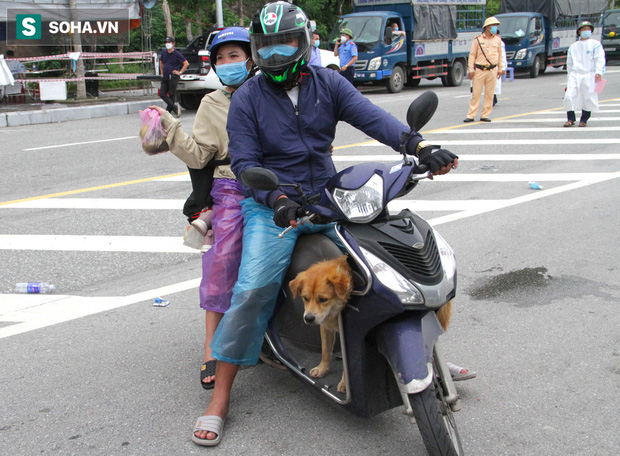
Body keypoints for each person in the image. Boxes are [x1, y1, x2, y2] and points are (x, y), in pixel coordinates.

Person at [190, 1, 459, 446]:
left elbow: (372, 118)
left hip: (330, 196)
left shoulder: (328, 82)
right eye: (268, 45)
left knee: (387, 262)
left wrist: (418, 144)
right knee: (254, 287)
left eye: (286, 43)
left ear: (306, 43)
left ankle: (420, 351)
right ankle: (220, 395)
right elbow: (244, 161)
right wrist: (275, 197)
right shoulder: (248, 100)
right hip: (272, 204)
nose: (277, 55)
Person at [149, 27, 255, 393]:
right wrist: (170, 125)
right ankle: (211, 346)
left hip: (280, 184)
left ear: (252, 58)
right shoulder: (213, 102)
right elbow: (200, 154)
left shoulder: (271, 93)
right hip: (232, 185)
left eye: (234, 56)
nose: (227, 64)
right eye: (221, 59)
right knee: (223, 257)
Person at [563, 21, 606, 127]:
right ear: (579, 32)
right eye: (584, 29)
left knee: (588, 97)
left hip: (589, 74)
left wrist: (599, 72)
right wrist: (569, 76)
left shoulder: (595, 44)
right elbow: (570, 63)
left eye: (588, 29)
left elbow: (600, 59)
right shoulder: (573, 46)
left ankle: (584, 120)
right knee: (569, 96)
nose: (586, 31)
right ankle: (570, 118)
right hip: (575, 74)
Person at [464, 17, 505, 122]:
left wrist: (501, 68)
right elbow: (472, 55)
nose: (495, 27)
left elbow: (500, 55)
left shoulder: (498, 40)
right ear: (487, 27)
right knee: (476, 94)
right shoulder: (478, 40)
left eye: (496, 25)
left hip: (492, 70)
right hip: (480, 70)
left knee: (489, 94)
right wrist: (471, 69)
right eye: (493, 25)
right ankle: (471, 115)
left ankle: (485, 115)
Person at [159, 37, 189, 118]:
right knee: (162, 94)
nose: (167, 44)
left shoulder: (176, 53)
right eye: (166, 42)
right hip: (165, 76)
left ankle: (168, 113)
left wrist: (180, 72)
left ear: (173, 43)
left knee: (172, 94)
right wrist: (161, 73)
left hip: (173, 76)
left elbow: (186, 63)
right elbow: (161, 62)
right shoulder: (164, 53)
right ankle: (175, 108)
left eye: (169, 42)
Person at [493, 32, 507, 107]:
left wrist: (503, 67)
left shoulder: (500, 43)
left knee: (494, 84)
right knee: (490, 85)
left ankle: (493, 99)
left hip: (496, 66)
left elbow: (502, 56)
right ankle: (493, 98)